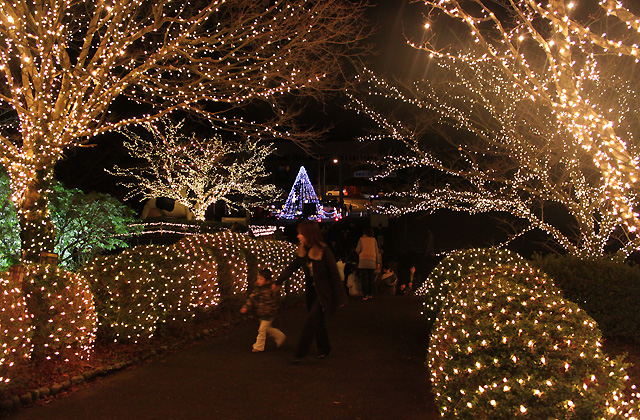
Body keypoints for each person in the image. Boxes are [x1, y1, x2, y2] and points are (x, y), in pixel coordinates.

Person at [276, 220, 347, 361]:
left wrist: (340, 297)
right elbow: (292, 266)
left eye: (301, 233)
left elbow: (334, 275)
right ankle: (324, 348)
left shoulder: (323, 251)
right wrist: (278, 281)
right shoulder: (303, 251)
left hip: (324, 294)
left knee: (311, 320)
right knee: (317, 321)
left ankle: (299, 353)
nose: (298, 236)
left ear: (309, 234)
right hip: (312, 293)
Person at [240, 269, 286, 352]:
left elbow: (276, 301)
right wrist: (246, 307)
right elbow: (252, 298)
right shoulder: (258, 289)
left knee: (262, 330)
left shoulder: (272, 289)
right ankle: (280, 336)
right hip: (261, 312)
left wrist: (273, 310)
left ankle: (259, 346)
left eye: (261, 279)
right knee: (267, 329)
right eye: (258, 278)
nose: (258, 281)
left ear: (267, 281)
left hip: (269, 313)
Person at [356, 226, 381, 300]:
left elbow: (357, 250)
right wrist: (378, 261)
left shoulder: (361, 240)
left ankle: (365, 294)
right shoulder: (374, 240)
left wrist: (361, 253)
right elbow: (377, 251)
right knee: (371, 279)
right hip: (372, 261)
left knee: (364, 279)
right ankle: (370, 294)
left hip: (363, 261)